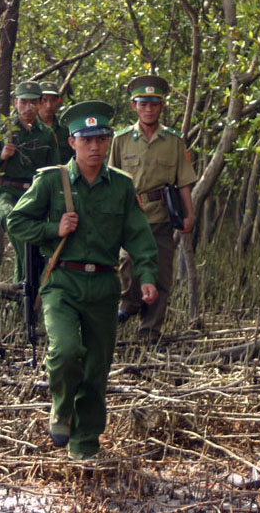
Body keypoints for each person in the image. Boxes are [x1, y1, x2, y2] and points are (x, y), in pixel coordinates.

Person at [7, 100, 158, 461]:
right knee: (64, 352)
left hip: (105, 287)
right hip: (62, 283)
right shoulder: (51, 181)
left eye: (101, 139)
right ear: (72, 142)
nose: (95, 146)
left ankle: (85, 444)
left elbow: (138, 235)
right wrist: (51, 229)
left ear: (108, 142)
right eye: (86, 139)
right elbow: (16, 221)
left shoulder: (121, 185)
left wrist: (148, 277)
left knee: (96, 370)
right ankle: (61, 409)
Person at [108, 75, 197, 345]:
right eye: (143, 104)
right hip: (130, 217)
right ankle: (131, 302)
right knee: (128, 265)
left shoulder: (174, 141)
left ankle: (149, 332)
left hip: (161, 216)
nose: (149, 109)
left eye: (154, 104)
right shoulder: (120, 140)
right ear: (134, 106)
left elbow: (183, 181)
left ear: (161, 107)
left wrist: (189, 214)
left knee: (161, 275)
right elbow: (109, 179)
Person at [0, 80, 59, 282]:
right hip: (6, 192)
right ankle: (28, 283)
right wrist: (0, 156)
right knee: (17, 224)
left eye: (33, 103)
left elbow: (54, 171)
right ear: (15, 102)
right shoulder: (0, 128)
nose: (28, 108)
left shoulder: (47, 134)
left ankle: (22, 290)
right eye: (23, 102)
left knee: (31, 243)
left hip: (34, 195)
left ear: (40, 104)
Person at [38, 81, 73, 164]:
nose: (49, 105)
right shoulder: (31, 126)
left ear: (59, 101)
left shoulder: (65, 127)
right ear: (38, 101)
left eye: (53, 100)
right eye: (44, 100)